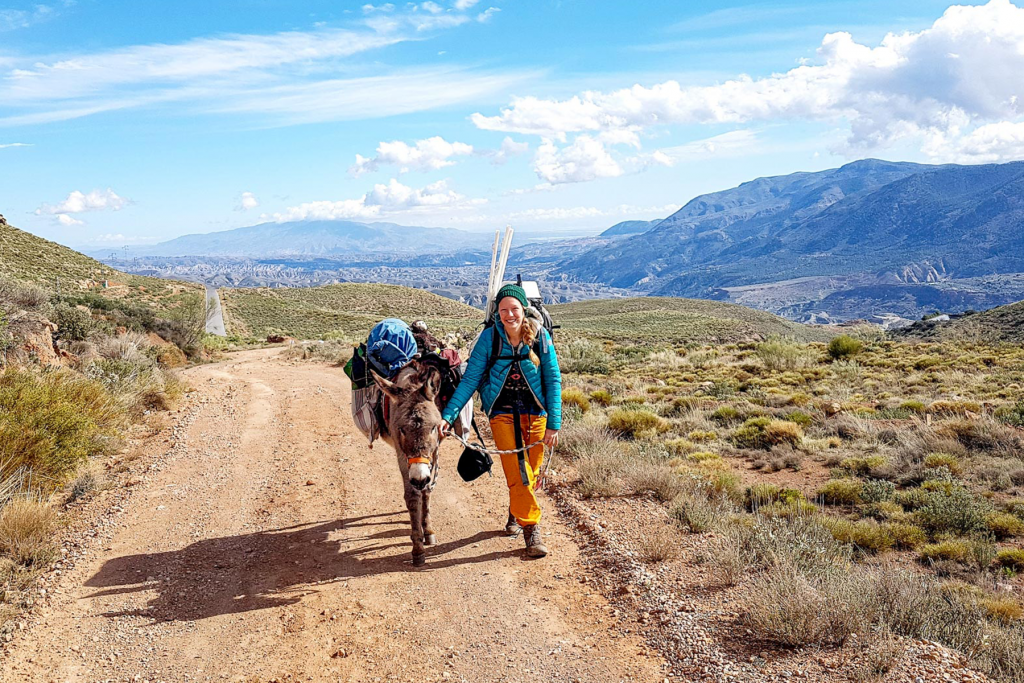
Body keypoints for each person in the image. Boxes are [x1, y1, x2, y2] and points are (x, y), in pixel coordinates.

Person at [440, 284, 562, 558]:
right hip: (502, 414)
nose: (509, 315)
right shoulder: (489, 338)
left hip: (536, 413)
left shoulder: (540, 336)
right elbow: (470, 380)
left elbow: (553, 379)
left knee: (530, 471)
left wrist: (554, 423)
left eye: (514, 309)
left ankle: (515, 509)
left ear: (523, 310)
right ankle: (531, 529)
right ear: (497, 312)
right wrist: (448, 415)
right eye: (503, 310)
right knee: (518, 471)